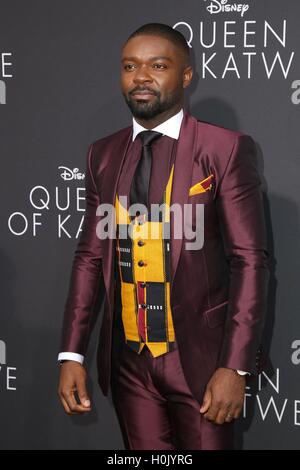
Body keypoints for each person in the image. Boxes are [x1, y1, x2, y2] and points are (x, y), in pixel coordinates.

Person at [57, 23, 269, 450]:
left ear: (185, 75)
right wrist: (72, 353)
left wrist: (236, 367)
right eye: (130, 66)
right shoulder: (103, 153)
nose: (141, 77)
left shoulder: (224, 148)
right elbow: (90, 256)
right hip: (129, 363)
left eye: (157, 65)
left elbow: (250, 260)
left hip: (202, 362)